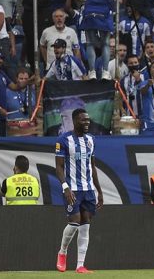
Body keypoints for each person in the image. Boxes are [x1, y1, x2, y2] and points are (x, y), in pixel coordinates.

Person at [55, 109, 103, 273]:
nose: (87, 123)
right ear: (75, 121)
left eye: (88, 120)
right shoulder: (63, 140)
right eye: (83, 120)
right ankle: (62, 252)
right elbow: (59, 167)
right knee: (74, 222)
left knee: (85, 225)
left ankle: (80, 265)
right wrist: (65, 187)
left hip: (88, 189)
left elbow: (93, 166)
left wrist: (99, 191)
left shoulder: (91, 140)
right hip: (72, 189)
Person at [73, 0, 123, 80]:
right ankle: (105, 72)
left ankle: (92, 72)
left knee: (90, 44)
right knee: (105, 44)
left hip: (89, 13)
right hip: (103, 14)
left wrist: (85, 0)